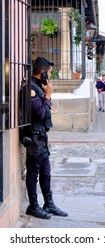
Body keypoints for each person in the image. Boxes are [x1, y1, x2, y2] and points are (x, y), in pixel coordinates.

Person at [22, 57, 68, 219]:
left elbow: (45, 111)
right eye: (48, 72)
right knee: (33, 173)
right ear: (42, 72)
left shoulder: (40, 87)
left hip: (41, 135)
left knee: (46, 172)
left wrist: (47, 94)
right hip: (33, 136)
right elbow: (40, 113)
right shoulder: (31, 89)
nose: (50, 75)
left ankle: (48, 203)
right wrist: (48, 96)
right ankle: (33, 206)